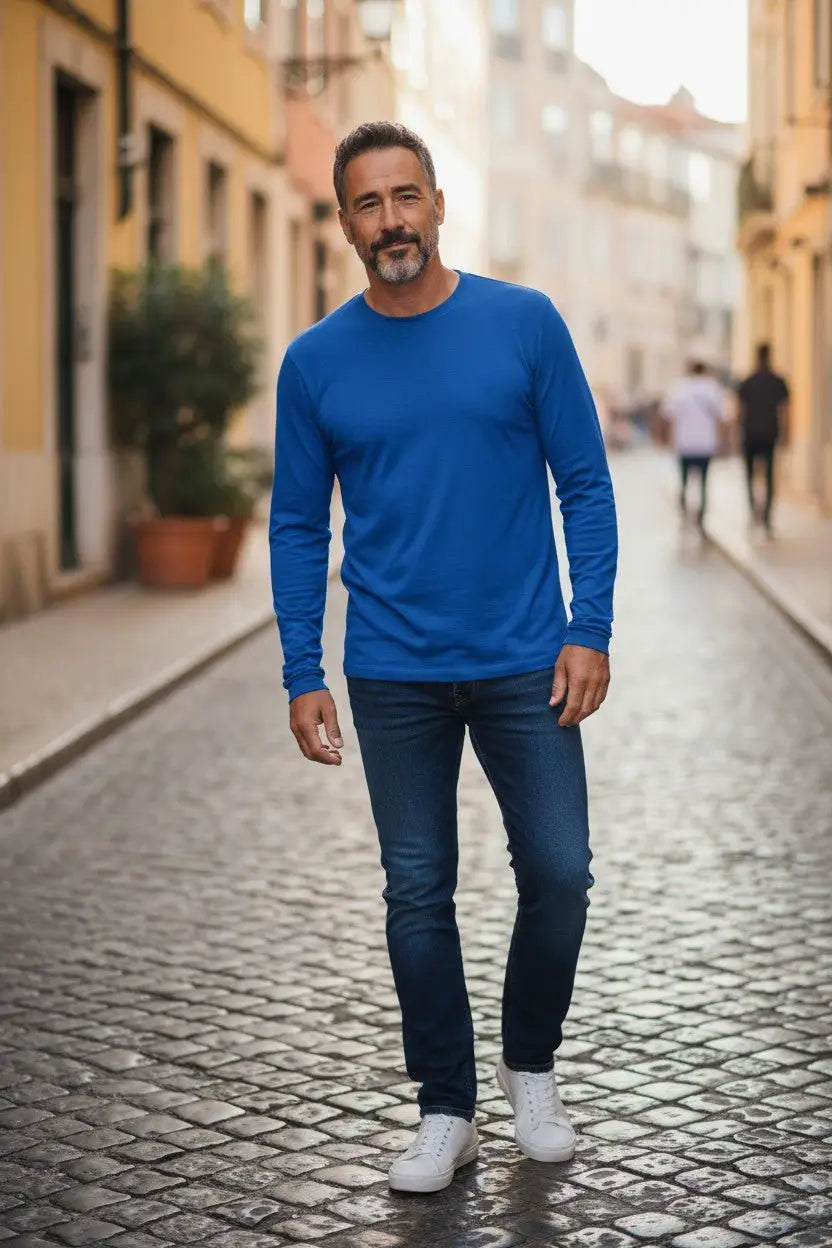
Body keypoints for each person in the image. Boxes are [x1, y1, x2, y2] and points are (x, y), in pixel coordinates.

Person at [269, 122, 618, 1195]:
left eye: (404, 198)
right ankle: (445, 1108)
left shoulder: (523, 324)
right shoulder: (315, 361)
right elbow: (295, 526)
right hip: (391, 668)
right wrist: (301, 667)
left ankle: (532, 1070)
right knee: (416, 891)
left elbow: (585, 483)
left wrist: (587, 625)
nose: (391, 222)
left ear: (436, 201)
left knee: (559, 873)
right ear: (344, 223)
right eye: (368, 205)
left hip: (524, 659)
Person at [662, 360, 726, 530]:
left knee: (684, 480)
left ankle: (684, 511)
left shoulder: (680, 388)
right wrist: (722, 440)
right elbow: (720, 417)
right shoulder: (713, 388)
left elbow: (669, 417)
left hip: (684, 442)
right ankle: (701, 516)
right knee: (704, 481)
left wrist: (669, 439)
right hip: (706, 442)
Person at [737, 343, 790, 535]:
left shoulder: (748, 381)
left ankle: (754, 512)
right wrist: (786, 434)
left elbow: (739, 411)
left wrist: (737, 434)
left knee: (751, 476)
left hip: (750, 434)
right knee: (768, 477)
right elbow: (785, 411)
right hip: (769, 434)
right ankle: (765, 517)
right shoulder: (777, 381)